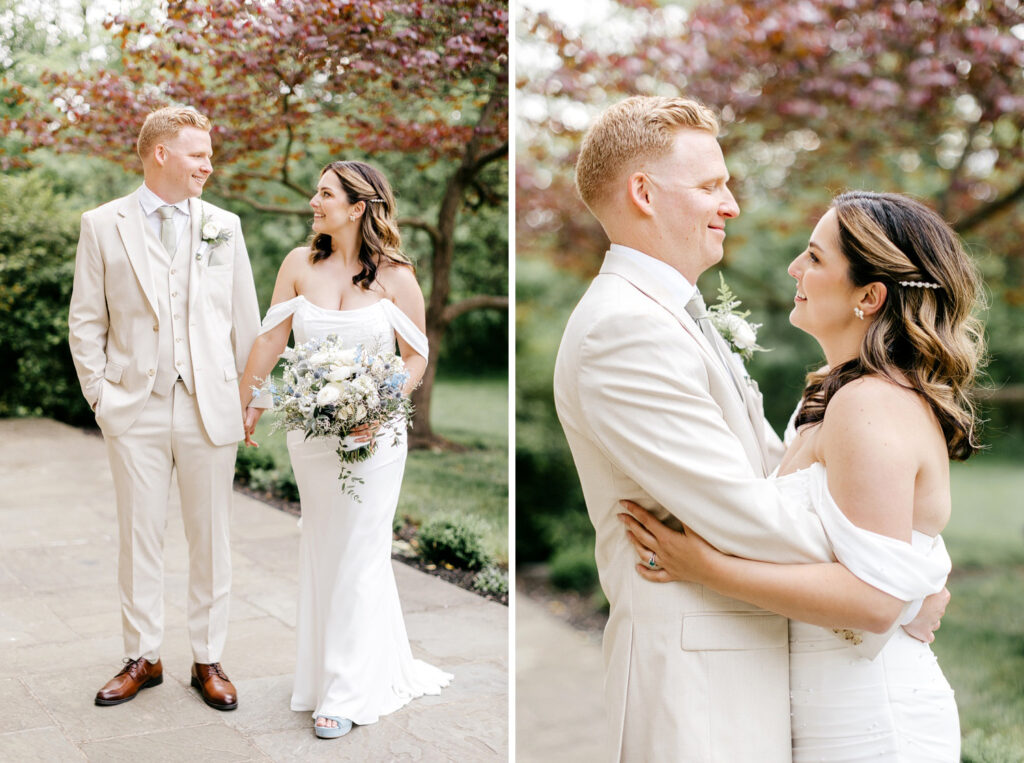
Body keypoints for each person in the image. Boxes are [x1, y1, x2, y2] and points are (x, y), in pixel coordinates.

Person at [552, 96, 947, 762]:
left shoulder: (670, 316)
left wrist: (897, 568)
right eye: (711, 185)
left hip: (753, 671)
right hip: (698, 686)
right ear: (643, 193)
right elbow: (748, 513)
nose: (731, 204)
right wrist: (899, 581)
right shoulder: (625, 329)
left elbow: (775, 476)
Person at [621, 191, 983, 762]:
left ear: (869, 295)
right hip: (821, 701)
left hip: (872, 718)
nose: (794, 267)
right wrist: (922, 590)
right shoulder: (834, 394)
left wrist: (704, 567)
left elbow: (876, 602)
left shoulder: (871, 404)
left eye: (814, 258)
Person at [238, 160, 452, 739]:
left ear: (358, 207)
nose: (314, 200)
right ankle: (329, 671)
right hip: (311, 438)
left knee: (361, 550)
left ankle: (348, 691)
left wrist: (377, 407)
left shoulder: (397, 276)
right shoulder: (297, 265)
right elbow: (270, 338)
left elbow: (415, 357)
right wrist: (251, 399)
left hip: (373, 436)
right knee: (326, 546)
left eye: (325, 193)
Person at [68, 106, 261, 710]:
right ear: (160, 154)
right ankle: (143, 657)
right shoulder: (102, 224)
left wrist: (249, 396)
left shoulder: (224, 225)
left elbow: (245, 321)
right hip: (134, 408)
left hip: (210, 407)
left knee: (211, 539)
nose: (209, 164)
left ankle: (209, 659)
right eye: (198, 154)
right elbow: (85, 321)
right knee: (139, 536)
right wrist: (101, 396)